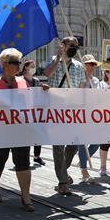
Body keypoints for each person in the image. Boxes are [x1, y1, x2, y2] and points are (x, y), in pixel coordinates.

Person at [0, 48, 45, 212]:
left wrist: (44, 92)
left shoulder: (23, 82)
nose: (18, 65)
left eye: (19, 62)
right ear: (4, 65)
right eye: (15, 62)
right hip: (1, 130)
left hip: (21, 129)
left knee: (23, 162)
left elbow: (31, 102)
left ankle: (26, 197)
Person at [44, 36, 84, 195]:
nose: (74, 48)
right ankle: (63, 182)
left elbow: (81, 88)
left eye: (77, 46)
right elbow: (47, 74)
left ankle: (63, 173)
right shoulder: (53, 60)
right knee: (59, 147)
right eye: (72, 45)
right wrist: (59, 58)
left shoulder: (79, 66)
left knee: (74, 144)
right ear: (63, 45)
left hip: (72, 112)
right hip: (56, 111)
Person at [77, 54, 101, 183]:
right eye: (91, 64)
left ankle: (83, 160)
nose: (93, 66)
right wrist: (84, 81)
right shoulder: (79, 79)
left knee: (97, 142)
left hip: (93, 114)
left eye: (94, 64)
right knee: (82, 143)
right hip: (81, 114)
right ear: (84, 66)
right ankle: (84, 169)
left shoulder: (96, 80)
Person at [20, 60, 45, 166]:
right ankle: (24, 156)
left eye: (34, 66)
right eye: (31, 66)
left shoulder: (36, 81)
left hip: (35, 111)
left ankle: (37, 156)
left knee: (38, 133)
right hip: (23, 111)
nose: (34, 68)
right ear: (25, 67)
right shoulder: (20, 80)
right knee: (25, 135)